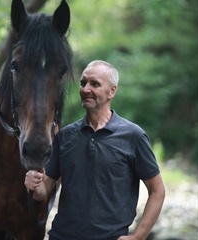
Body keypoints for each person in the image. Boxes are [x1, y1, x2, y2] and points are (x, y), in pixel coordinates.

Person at [25, 60, 165, 240]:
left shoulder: (133, 136)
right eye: (83, 83)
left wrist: (138, 235)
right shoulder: (65, 136)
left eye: (95, 84)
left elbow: (157, 190)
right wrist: (34, 185)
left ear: (112, 91)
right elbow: (43, 191)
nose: (85, 89)